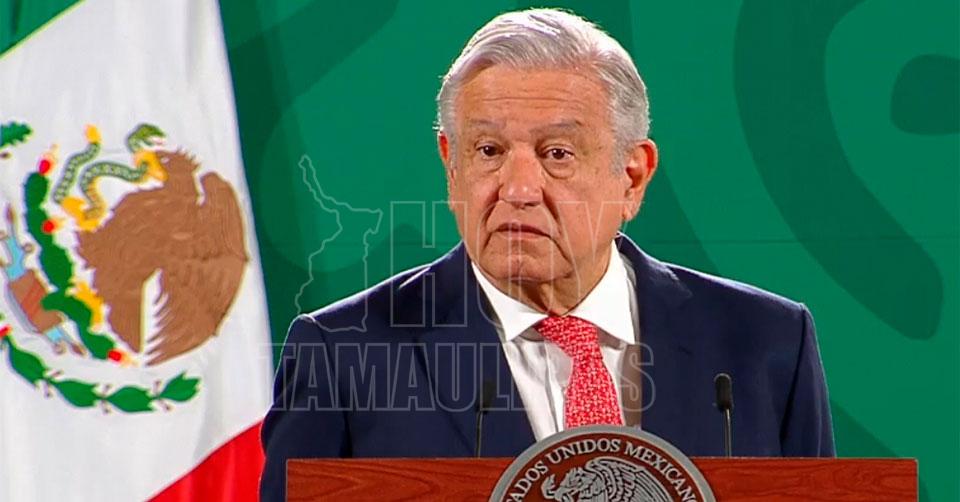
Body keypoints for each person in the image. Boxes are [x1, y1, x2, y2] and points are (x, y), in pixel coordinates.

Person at [260, 8, 834, 499]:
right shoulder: (342, 355)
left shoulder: (765, 342)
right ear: (451, 164)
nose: (517, 188)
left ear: (632, 177)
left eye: (557, 153)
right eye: (488, 150)